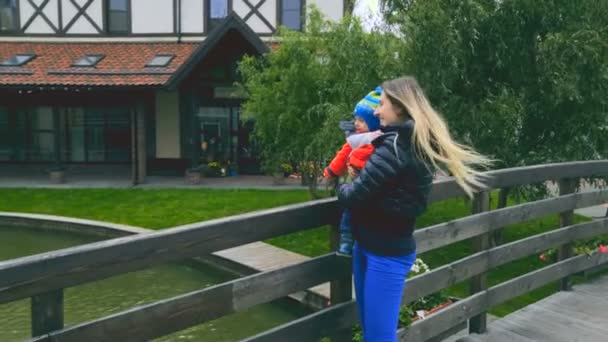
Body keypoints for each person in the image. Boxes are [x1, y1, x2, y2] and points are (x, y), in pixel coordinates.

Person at [338, 76, 491, 341]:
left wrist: (343, 186)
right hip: (375, 245)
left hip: (383, 253)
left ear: (399, 107)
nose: (376, 111)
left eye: (382, 104)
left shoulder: (395, 146)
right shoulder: (412, 142)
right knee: (372, 333)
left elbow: (354, 195)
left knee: (378, 337)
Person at [324, 87, 383, 256]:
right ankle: (347, 240)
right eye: (356, 119)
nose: (356, 123)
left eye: (362, 120)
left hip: (368, 183)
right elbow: (342, 155)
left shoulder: (378, 140)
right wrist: (331, 172)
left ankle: (358, 238)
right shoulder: (356, 140)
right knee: (348, 212)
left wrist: (360, 172)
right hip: (354, 183)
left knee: (361, 213)